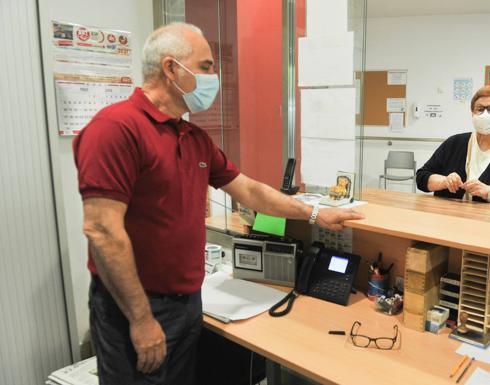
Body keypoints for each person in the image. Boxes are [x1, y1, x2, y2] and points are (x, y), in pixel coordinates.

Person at [74, 22, 364, 385]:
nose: (215, 76)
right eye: (207, 66)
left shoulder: (193, 137)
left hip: (186, 301)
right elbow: (102, 231)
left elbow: (250, 191)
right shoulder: (115, 129)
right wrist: (141, 319)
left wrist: (318, 213)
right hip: (136, 306)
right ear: (171, 68)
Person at [415, 86, 490, 208]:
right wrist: (444, 182)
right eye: (480, 109)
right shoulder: (454, 143)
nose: (485, 114)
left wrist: (489, 192)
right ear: (472, 113)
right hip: (448, 217)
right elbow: (421, 178)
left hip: (488, 223)